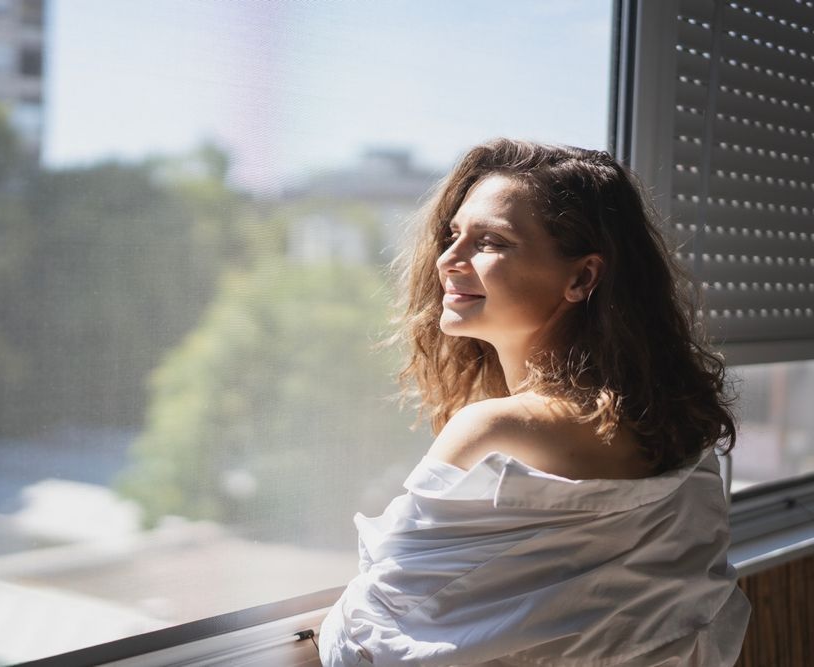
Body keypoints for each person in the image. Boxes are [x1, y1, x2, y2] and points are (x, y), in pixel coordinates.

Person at [318, 139, 752, 666]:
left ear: (582, 277)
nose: (448, 259)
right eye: (453, 236)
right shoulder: (681, 431)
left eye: (491, 242)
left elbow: (368, 646)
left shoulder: (496, 430)